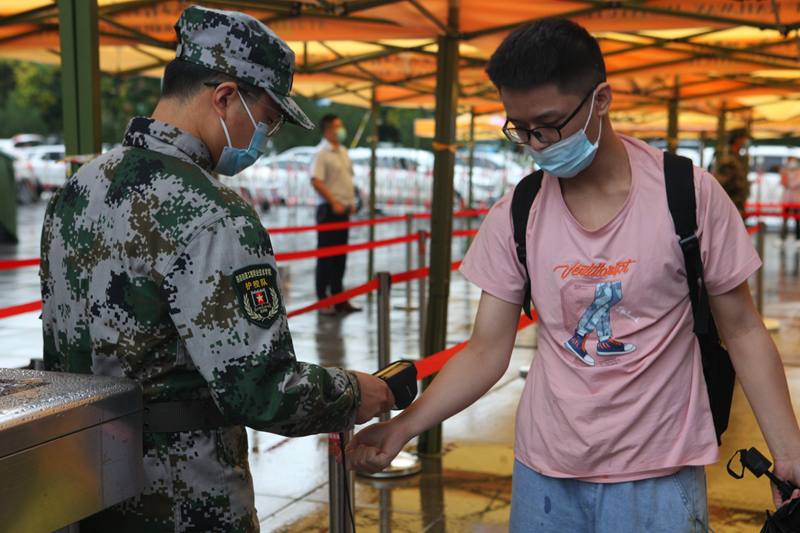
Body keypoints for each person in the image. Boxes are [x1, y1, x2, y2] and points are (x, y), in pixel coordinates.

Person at [344, 18, 800, 532]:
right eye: (521, 130)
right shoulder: (518, 212)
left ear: (600, 99)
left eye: (549, 124)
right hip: (545, 471)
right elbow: (485, 351)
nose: (538, 144)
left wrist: (789, 452)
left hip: (659, 474)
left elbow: (742, 330)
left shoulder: (688, 196)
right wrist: (403, 427)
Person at [39, 6, 393, 532]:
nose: (265, 137)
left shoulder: (75, 190)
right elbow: (261, 389)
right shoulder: (215, 213)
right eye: (268, 120)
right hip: (183, 498)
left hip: (82, 486)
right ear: (225, 96)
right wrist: (354, 393)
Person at [310, 114, 361, 316]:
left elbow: (348, 179)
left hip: (344, 211)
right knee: (326, 258)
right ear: (328, 130)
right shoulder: (321, 152)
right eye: (338, 126)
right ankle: (323, 300)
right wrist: (334, 202)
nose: (341, 130)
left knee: (340, 257)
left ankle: (339, 298)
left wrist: (350, 202)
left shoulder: (343, 151)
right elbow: (316, 180)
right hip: (329, 211)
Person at [714, 128, 751, 217]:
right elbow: (723, 184)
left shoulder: (738, 159)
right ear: (737, 140)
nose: (745, 141)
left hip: (737, 204)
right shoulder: (728, 160)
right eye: (744, 138)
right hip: (730, 206)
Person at [779, 156, 800, 248]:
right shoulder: (785, 171)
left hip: (797, 199)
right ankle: (782, 238)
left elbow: (796, 183)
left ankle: (798, 238)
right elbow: (783, 183)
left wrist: (790, 181)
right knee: (785, 219)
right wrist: (784, 174)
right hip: (787, 199)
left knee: (797, 219)